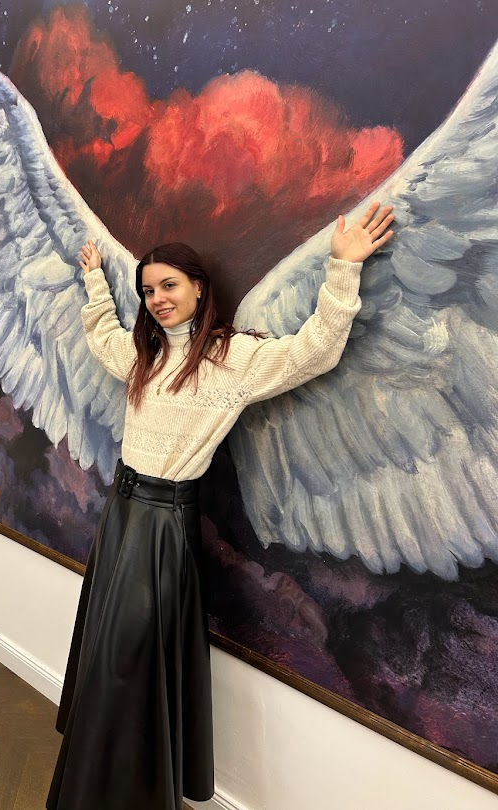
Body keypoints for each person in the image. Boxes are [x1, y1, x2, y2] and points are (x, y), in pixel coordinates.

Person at [46, 202, 395, 810]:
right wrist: (96, 282)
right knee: (110, 648)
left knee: (133, 657)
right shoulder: (146, 355)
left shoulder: (231, 359)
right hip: (121, 515)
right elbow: (102, 337)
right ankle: (96, 775)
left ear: (198, 287)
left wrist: (343, 268)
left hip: (163, 524)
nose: (157, 299)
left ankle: (126, 790)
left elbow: (315, 351)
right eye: (148, 291)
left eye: (169, 286)